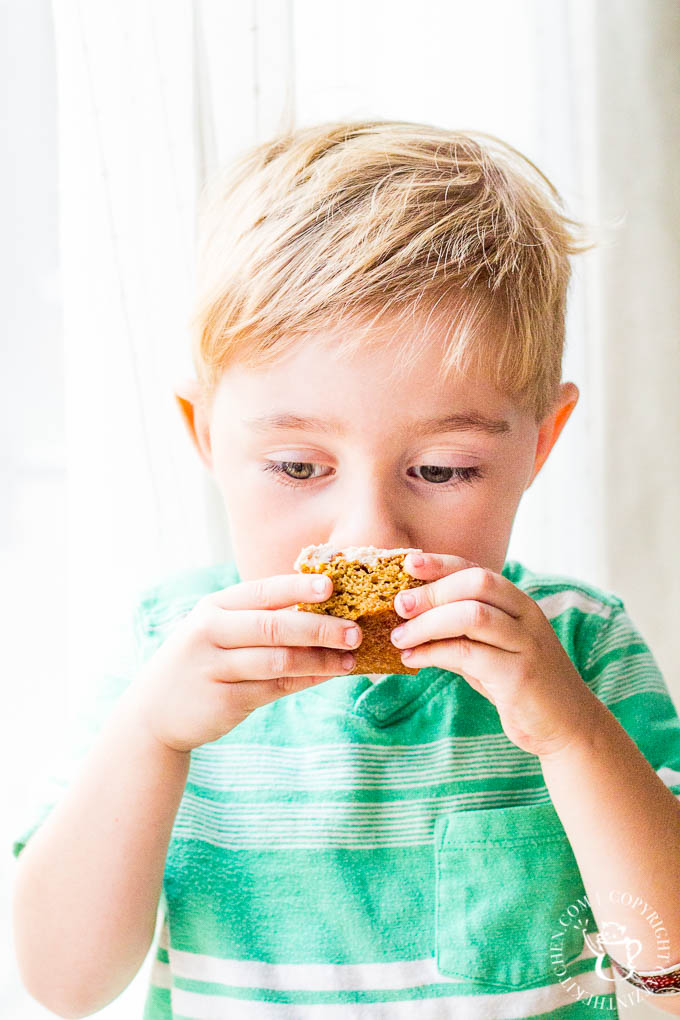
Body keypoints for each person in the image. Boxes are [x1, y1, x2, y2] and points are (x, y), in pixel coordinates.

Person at [11, 119, 680, 1019]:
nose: (370, 536)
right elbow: (62, 983)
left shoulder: (580, 646)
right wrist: (153, 740)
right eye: (297, 467)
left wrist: (572, 738)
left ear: (540, 444)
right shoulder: (161, 655)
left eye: (441, 470)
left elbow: (671, 975)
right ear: (208, 437)